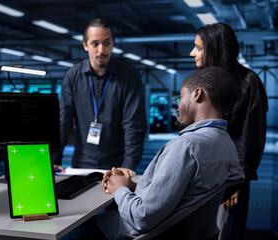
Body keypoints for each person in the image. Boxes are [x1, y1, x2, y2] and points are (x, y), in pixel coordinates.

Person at [66, 67, 244, 240]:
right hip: (184, 232)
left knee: (75, 225)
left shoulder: (186, 146)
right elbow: (184, 194)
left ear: (197, 94)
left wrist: (119, 188)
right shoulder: (227, 144)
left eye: (181, 96)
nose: (178, 105)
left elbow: (141, 217)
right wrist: (133, 186)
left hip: (140, 231)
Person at [190, 23, 268, 240]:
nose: (192, 53)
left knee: (225, 233)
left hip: (229, 178)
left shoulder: (248, 83)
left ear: (214, 50)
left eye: (198, 47)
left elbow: (251, 138)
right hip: (200, 175)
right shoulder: (202, 83)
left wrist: (236, 182)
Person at [54, 18, 147, 174]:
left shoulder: (129, 76)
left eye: (106, 43)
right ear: (85, 45)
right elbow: (64, 122)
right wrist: (54, 160)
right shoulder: (73, 76)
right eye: (95, 44)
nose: (101, 50)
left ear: (112, 43)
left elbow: (133, 125)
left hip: (117, 165)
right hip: (81, 164)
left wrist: (129, 164)